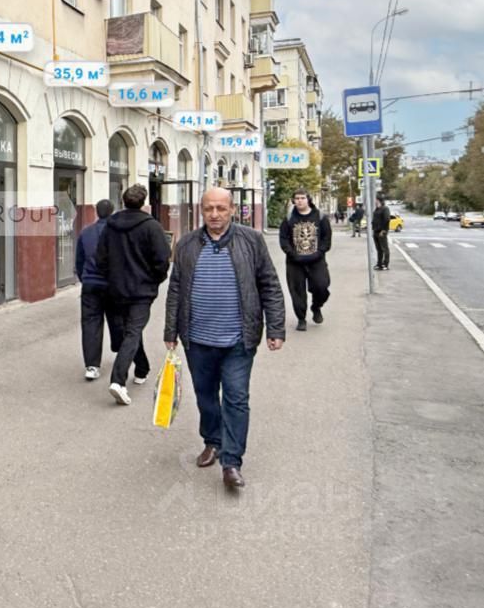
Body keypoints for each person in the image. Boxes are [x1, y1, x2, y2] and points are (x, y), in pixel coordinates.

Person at [164, 187, 285, 490]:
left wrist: (275, 329)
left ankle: (231, 462)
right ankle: (213, 441)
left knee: (236, 398)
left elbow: (269, 284)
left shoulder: (251, 240)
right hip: (197, 339)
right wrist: (170, 331)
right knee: (205, 396)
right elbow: (176, 288)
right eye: (209, 209)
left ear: (232, 209)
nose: (215, 214)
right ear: (201, 210)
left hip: (238, 339)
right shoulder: (188, 243)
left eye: (220, 208)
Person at [96, 184, 171, 406]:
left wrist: (112, 278)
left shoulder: (110, 226)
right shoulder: (152, 227)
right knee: (133, 331)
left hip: (116, 289)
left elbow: (101, 258)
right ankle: (118, 381)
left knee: (131, 330)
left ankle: (142, 368)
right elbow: (162, 259)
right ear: (143, 202)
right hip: (142, 291)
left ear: (123, 201)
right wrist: (154, 280)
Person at [74, 199, 117, 381]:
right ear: (112, 212)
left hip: (91, 284)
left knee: (91, 323)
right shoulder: (117, 233)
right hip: (113, 285)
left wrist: (84, 278)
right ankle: (122, 354)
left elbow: (79, 260)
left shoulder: (86, 232)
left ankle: (92, 366)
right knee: (117, 319)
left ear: (96, 212)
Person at [279, 189, 332, 332]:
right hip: (295, 262)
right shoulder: (289, 218)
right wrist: (291, 254)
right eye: (297, 198)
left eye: (302, 198)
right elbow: (283, 239)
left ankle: (316, 307)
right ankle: (301, 319)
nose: (300, 201)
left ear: (308, 199)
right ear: (293, 201)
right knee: (297, 291)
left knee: (322, 286)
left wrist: (319, 253)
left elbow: (326, 238)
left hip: (316, 260)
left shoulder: (320, 217)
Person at [372, 195, 392, 270]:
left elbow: (387, 219)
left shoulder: (385, 209)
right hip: (376, 231)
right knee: (379, 249)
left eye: (375, 199)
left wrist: (383, 230)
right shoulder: (377, 209)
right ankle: (379, 264)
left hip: (382, 231)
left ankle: (385, 264)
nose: (374, 201)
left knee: (385, 248)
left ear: (378, 200)